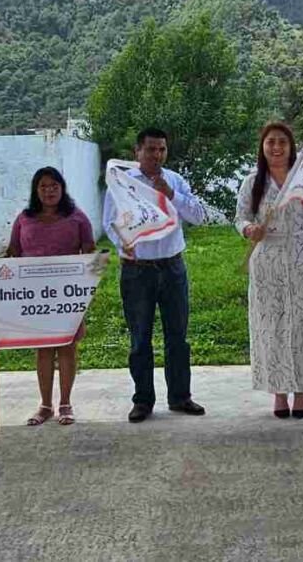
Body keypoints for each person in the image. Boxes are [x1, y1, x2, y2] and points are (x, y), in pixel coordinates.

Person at [236, 122, 303, 419]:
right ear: (263, 146)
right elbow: (240, 217)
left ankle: (302, 392)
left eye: (282, 141)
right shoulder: (252, 182)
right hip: (267, 260)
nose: (276, 147)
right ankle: (279, 393)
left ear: (291, 146)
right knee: (271, 326)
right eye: (270, 142)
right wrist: (249, 230)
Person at [102, 127, 206, 423]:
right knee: (140, 338)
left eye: (161, 149)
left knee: (178, 337)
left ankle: (180, 397)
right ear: (137, 151)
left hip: (172, 267)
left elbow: (197, 216)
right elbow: (110, 222)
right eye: (150, 149)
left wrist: (170, 194)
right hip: (138, 271)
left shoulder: (174, 180)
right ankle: (143, 401)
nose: (156, 155)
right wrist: (124, 243)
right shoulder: (122, 183)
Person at [4, 167, 96, 426]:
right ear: (36, 190)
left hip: (66, 294)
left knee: (67, 347)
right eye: (43, 186)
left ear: (62, 188)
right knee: (43, 348)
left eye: (54, 185)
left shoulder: (77, 217)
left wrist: (89, 287)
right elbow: (12, 253)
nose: (49, 190)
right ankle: (45, 405)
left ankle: (65, 404)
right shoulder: (24, 218)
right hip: (35, 297)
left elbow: (90, 253)